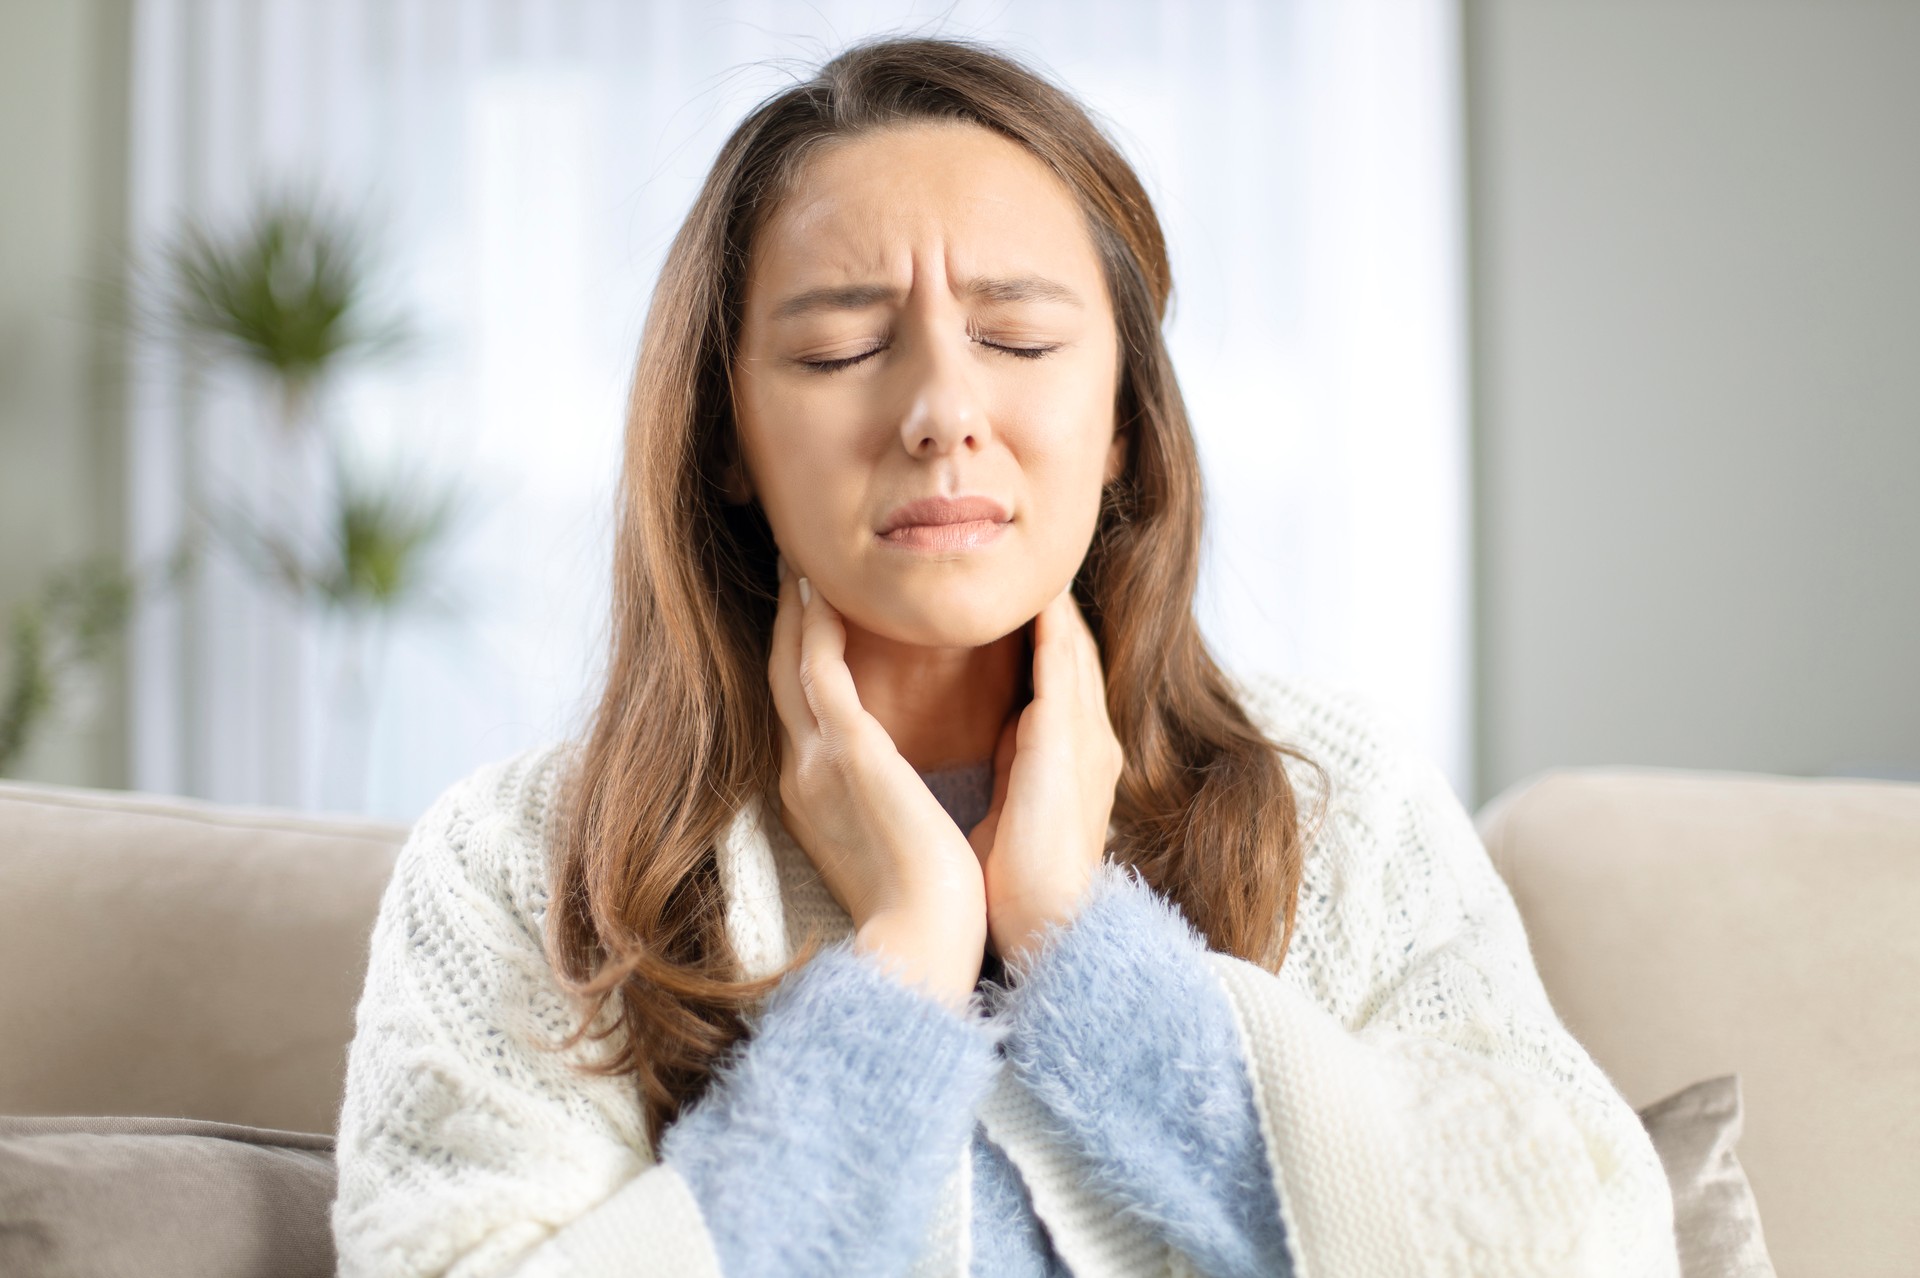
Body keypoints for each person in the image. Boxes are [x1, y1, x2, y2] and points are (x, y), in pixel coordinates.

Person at [330, 34, 1680, 1278]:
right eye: (841, 343)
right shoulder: (522, 864)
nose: (939, 411)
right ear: (728, 437)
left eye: (1017, 336)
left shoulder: (1337, 799)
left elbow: (1583, 1244)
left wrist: (1076, 938)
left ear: (1123, 427)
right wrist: (905, 964)